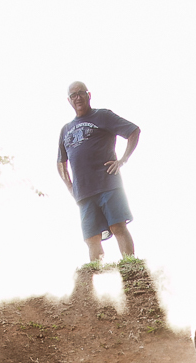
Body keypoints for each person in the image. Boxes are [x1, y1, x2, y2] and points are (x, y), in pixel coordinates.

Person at [56, 80, 140, 263]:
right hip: (84, 193)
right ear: (69, 100)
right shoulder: (65, 130)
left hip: (108, 183)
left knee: (118, 226)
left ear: (89, 95)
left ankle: (131, 266)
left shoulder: (103, 116)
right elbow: (61, 162)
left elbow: (133, 131)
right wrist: (71, 187)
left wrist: (123, 159)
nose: (78, 97)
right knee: (91, 238)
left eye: (81, 93)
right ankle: (94, 276)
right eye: (73, 95)